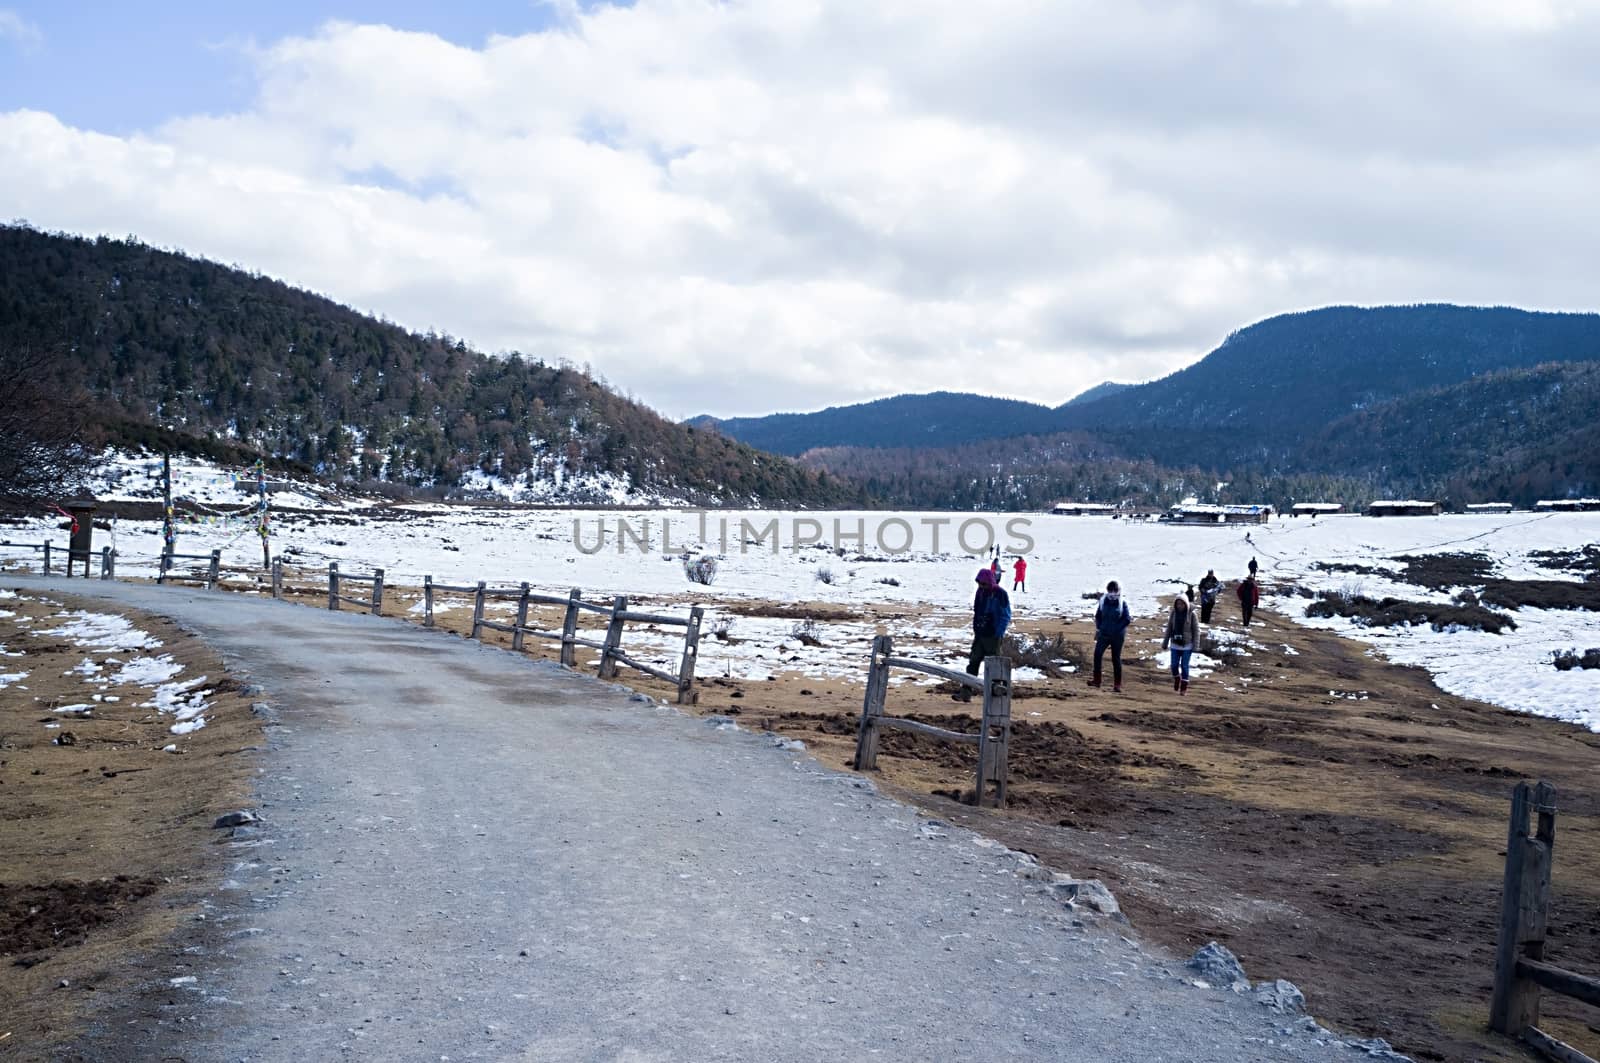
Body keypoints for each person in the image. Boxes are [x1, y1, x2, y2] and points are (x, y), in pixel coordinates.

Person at [955, 568, 1011, 701]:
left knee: (994, 665)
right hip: (980, 633)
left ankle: (997, 694)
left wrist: (998, 632)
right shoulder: (980, 592)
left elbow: (1005, 615)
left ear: (990, 582)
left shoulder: (1000, 594)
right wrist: (977, 628)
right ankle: (966, 692)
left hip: (993, 635)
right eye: (979, 583)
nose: (981, 586)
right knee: (973, 662)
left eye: (984, 583)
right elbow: (977, 610)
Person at [1089, 580, 1131, 693]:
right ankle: (1096, 680)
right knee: (1097, 654)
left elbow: (1127, 619)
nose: (1112, 593)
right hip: (1104, 634)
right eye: (1110, 590)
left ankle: (1117, 684)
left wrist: (1117, 629)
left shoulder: (1122, 603)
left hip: (1117, 636)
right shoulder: (1103, 601)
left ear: (1118, 590)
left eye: (1115, 590)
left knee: (1115, 658)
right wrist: (1099, 627)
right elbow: (1098, 615)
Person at [1162, 594, 1199, 694]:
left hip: (1187, 645)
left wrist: (1195, 646)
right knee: (1174, 665)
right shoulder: (1173, 613)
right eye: (1178, 603)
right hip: (1175, 644)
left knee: (1184, 666)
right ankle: (1177, 678)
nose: (1180, 606)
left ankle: (1183, 687)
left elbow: (1196, 630)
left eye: (1182, 604)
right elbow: (1169, 628)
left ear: (1186, 604)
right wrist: (1165, 642)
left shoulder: (1192, 614)